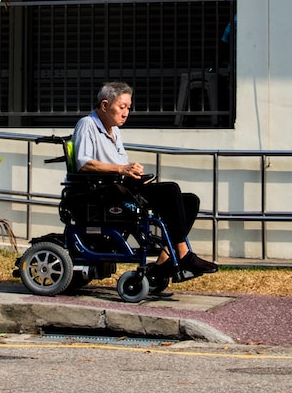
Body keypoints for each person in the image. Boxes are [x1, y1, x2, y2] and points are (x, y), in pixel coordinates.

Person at [72, 81, 218, 278]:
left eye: (128, 108)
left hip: (123, 186)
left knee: (190, 201)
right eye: (121, 107)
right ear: (105, 105)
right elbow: (83, 163)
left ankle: (165, 258)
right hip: (104, 191)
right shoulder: (87, 125)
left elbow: (121, 165)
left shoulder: (115, 131)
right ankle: (183, 254)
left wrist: (134, 174)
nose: (126, 113)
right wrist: (123, 169)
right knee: (171, 189)